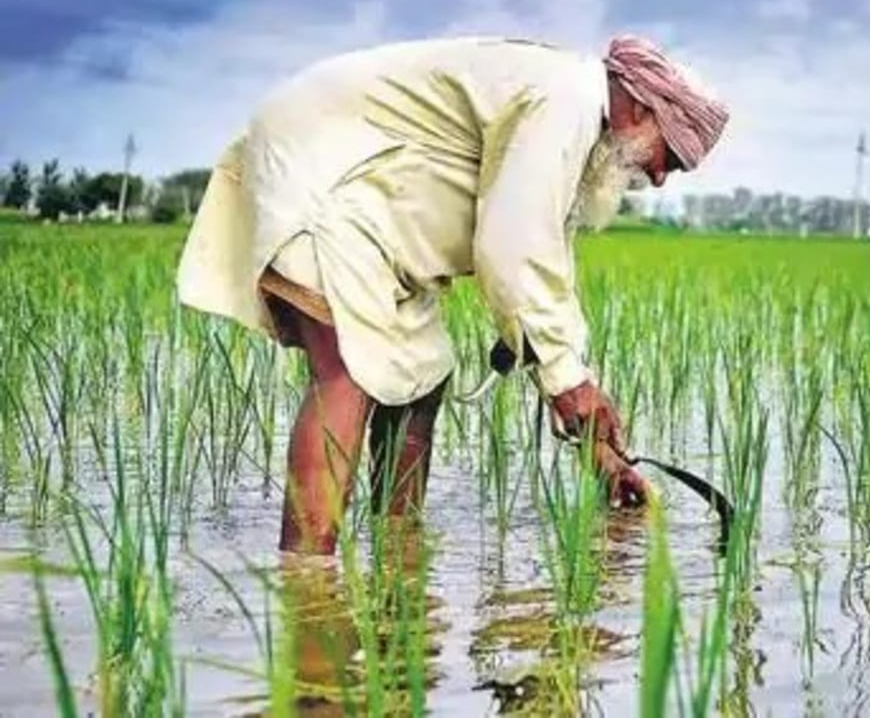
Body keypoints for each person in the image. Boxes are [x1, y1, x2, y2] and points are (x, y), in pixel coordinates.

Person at [175, 33, 730, 555]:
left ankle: (397, 548)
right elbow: (513, 247)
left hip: (376, 216)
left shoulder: (571, 124)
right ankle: (309, 577)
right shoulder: (565, 102)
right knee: (348, 371)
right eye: (671, 159)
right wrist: (569, 384)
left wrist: (599, 448)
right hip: (324, 174)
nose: (658, 180)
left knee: (424, 376)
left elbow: (545, 277)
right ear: (639, 109)